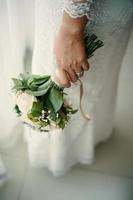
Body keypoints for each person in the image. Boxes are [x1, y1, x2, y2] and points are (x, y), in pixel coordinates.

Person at [0, 0, 133, 176]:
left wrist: (72, 28)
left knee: (91, 73)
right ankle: (58, 147)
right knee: (63, 74)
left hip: (77, 11)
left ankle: (74, 144)